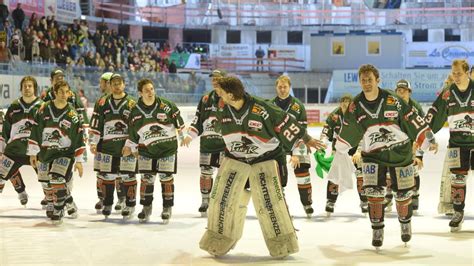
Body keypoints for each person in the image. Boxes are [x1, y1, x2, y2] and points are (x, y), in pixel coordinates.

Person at [199, 76, 326, 258]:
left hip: (266, 159)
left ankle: (283, 239)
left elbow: (286, 123)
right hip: (237, 159)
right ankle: (223, 237)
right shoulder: (222, 108)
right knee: (224, 198)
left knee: (271, 202)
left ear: (231, 95)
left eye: (221, 92)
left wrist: (306, 139)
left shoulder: (263, 108)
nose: (217, 95)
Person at [329, 64, 437, 249]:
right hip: (373, 155)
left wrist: (428, 139)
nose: (366, 83)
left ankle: (405, 223)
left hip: (399, 153)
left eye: (370, 79)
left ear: (378, 80)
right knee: (373, 193)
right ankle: (377, 229)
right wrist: (340, 147)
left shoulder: (393, 99)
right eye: (363, 80)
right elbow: (349, 129)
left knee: (403, 195)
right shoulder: (355, 106)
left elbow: (412, 118)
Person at [123, 78, 185, 223]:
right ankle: (146, 208)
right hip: (146, 150)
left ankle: (167, 208)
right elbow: (132, 134)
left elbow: (179, 121)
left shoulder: (166, 105)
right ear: (140, 93)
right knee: (147, 179)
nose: (150, 92)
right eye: (146, 90)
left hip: (167, 150)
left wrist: (183, 135)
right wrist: (130, 147)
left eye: (151, 89)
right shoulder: (135, 111)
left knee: (166, 178)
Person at [27, 80, 85, 224]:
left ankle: (59, 209)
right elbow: (35, 130)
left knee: (57, 179)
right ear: (54, 93)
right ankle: (69, 200)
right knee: (47, 184)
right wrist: (33, 152)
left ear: (70, 93)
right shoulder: (43, 109)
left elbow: (78, 138)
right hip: (46, 153)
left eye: (66, 92)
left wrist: (78, 161)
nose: (64, 95)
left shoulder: (73, 114)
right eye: (60, 92)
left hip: (65, 153)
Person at [425, 59, 473, 232]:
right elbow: (433, 115)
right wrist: (427, 136)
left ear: (467, 72)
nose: (456, 77)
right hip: (457, 144)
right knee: (458, 179)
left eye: (459, 73)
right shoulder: (447, 93)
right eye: (454, 73)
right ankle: (458, 213)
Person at [89, 73, 137, 219]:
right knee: (107, 176)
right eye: (114, 83)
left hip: (125, 148)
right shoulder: (102, 103)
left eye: (119, 83)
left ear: (124, 84)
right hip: (107, 147)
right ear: (110, 85)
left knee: (128, 176)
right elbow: (96, 124)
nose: (117, 86)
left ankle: (130, 205)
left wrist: (133, 146)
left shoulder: (132, 103)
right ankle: (108, 203)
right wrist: (93, 142)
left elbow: (136, 127)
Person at [181, 69, 227, 216]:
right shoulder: (205, 99)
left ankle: (221, 202)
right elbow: (198, 120)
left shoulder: (230, 98)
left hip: (225, 146)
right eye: (213, 78)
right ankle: (205, 200)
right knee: (205, 174)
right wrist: (190, 135)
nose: (215, 81)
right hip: (207, 144)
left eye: (218, 78)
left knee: (224, 176)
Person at [270, 75, 314, 217]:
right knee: (277, 177)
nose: (282, 89)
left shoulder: (298, 106)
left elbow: (302, 130)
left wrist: (296, 151)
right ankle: (281, 207)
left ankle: (307, 204)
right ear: (276, 88)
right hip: (277, 144)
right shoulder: (270, 105)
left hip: (297, 141)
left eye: (285, 87)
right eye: (280, 87)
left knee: (302, 172)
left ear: (289, 87)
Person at [320, 94, 368, 216]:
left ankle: (364, 201)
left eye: (348, 102)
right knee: (334, 175)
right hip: (339, 149)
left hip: (355, 148)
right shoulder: (334, 116)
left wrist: (359, 152)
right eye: (342, 101)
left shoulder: (357, 115)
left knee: (361, 174)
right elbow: (325, 132)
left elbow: (364, 135)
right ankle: (330, 201)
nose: (345, 104)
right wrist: (322, 144)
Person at [0, 76, 43, 206]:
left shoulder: (42, 106)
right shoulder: (14, 106)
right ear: (21, 88)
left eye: (30, 86)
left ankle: (56, 202)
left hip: (36, 152)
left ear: (35, 88)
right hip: (14, 150)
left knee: (48, 179)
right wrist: (1, 149)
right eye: (25, 86)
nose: (27, 88)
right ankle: (21, 192)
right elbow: (6, 129)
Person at [391, 79, 425, 214]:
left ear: (409, 92)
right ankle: (389, 196)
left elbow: (423, 130)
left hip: (412, 144)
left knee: (413, 171)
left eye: (404, 91)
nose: (401, 93)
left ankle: (415, 195)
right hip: (395, 144)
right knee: (391, 170)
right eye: (399, 91)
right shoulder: (392, 106)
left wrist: (419, 155)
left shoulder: (416, 107)